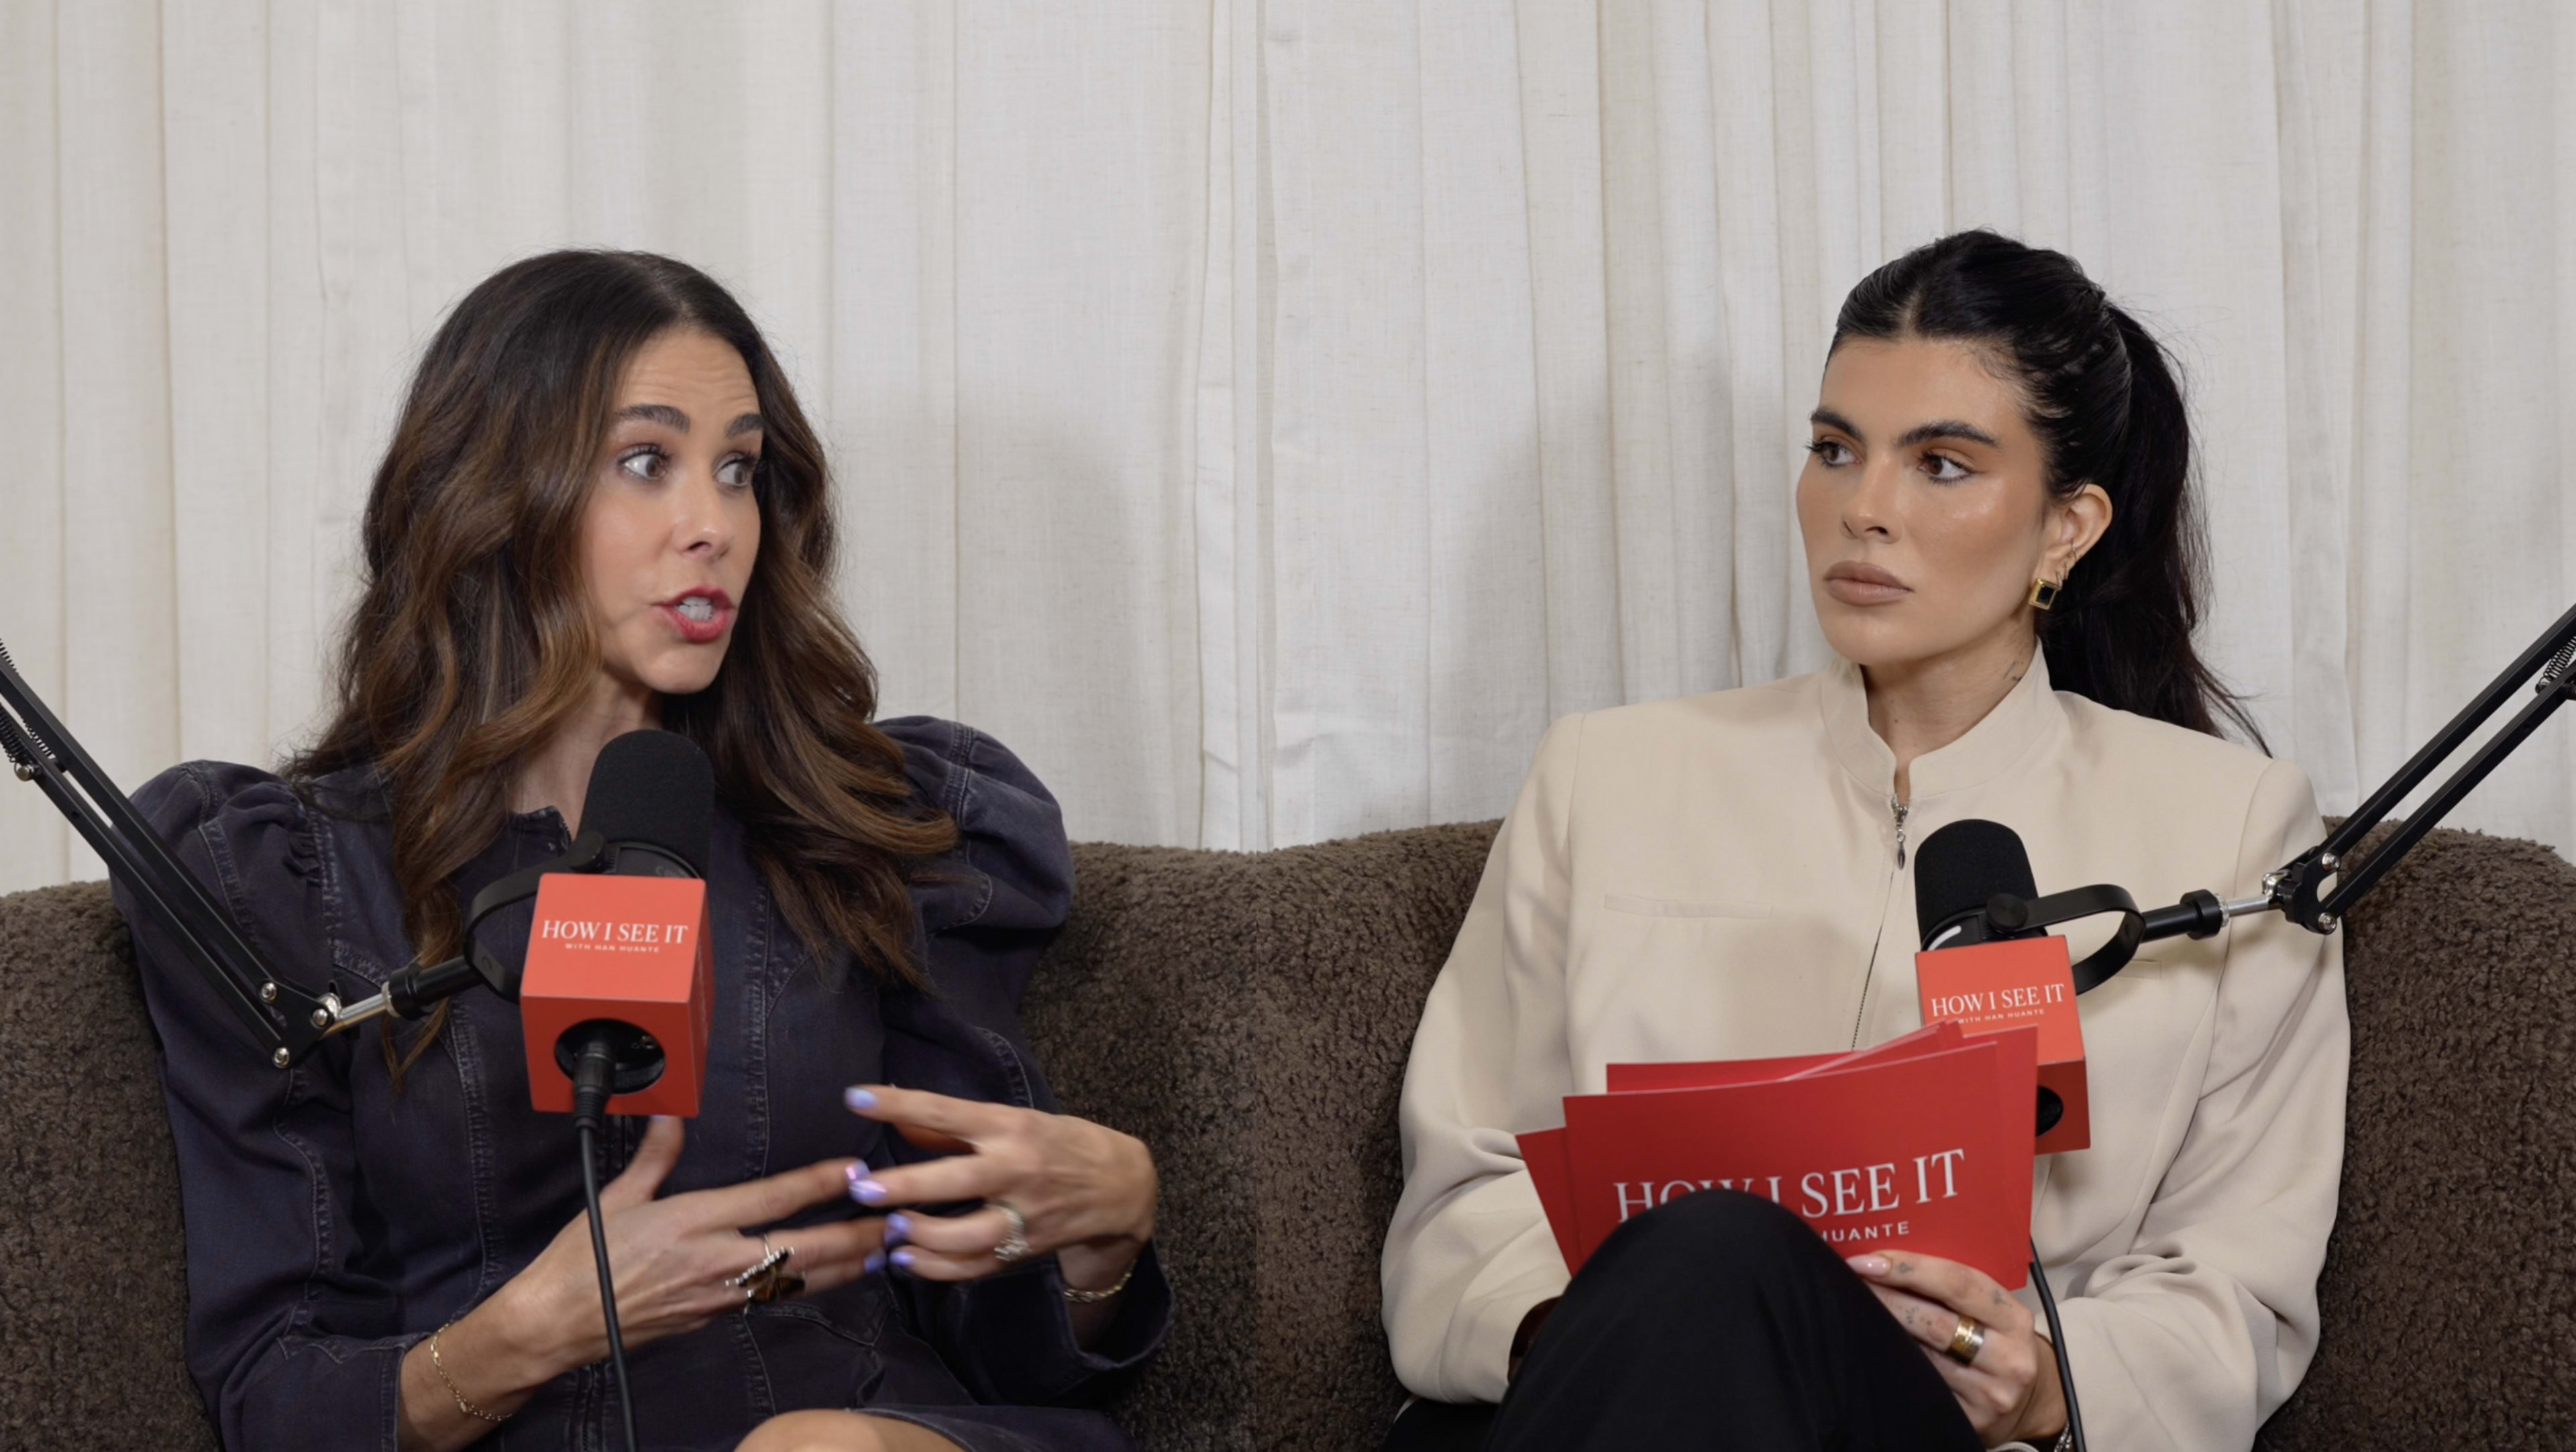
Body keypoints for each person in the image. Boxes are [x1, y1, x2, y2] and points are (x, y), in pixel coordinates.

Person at [119, 250, 1168, 1452]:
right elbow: (274, 1394)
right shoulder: (288, 885)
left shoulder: (861, 833)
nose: (713, 525)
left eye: (738, 470)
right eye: (645, 462)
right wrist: (541, 1326)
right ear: (492, 496)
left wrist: (1100, 1243)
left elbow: (1007, 1349)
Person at [1379, 231, 2347, 1452]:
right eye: (1835, 449)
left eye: (1942, 463)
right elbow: (1463, 1192)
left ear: (2068, 527)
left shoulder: (2230, 829)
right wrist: (1639, 1331)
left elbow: (2239, 1274)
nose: (1864, 508)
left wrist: (2048, 1378)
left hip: (1939, 1433)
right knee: (1710, 1262)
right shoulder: (1608, 778)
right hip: (1608, 1404)